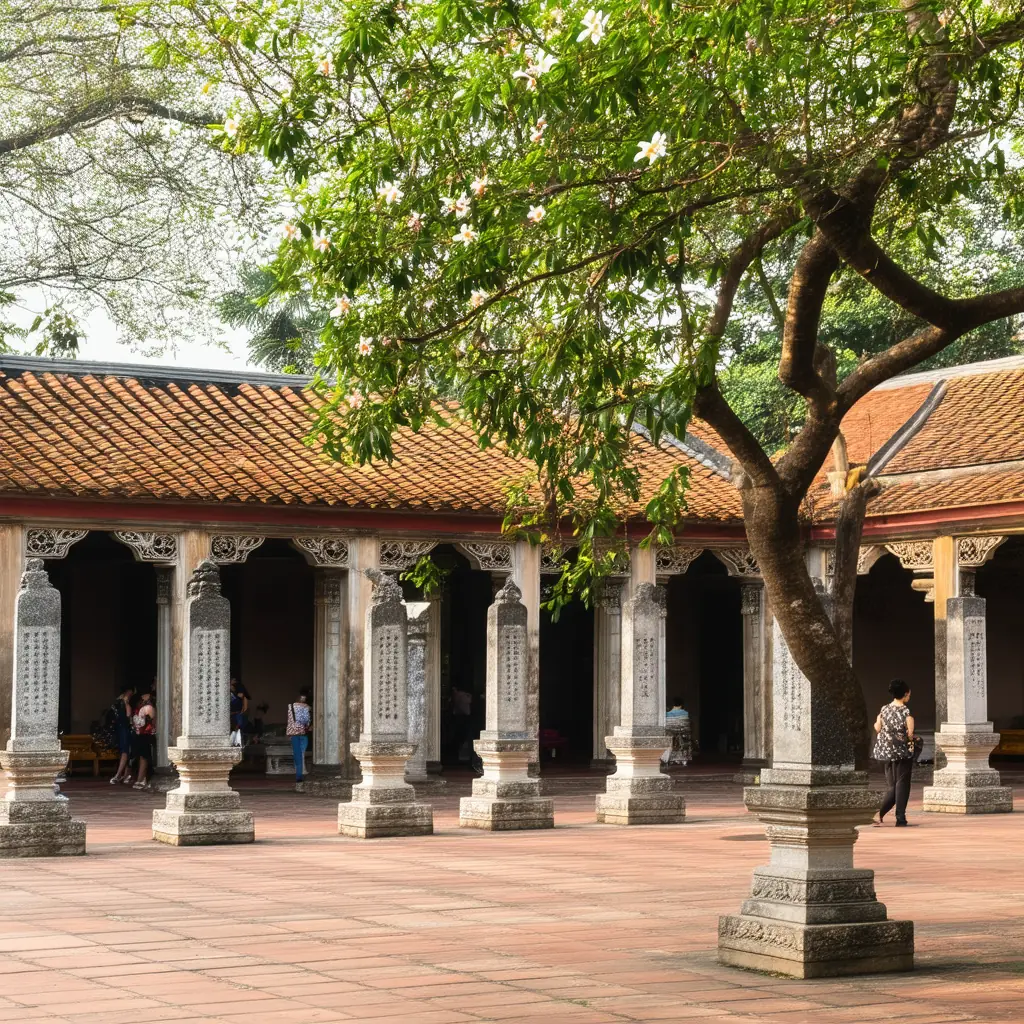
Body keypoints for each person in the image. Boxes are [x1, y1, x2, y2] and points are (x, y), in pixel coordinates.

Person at [873, 679, 916, 827]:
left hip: (885, 752)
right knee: (902, 783)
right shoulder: (906, 711)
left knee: (893, 785)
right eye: (909, 693)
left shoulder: (884, 709)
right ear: (905, 694)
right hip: (902, 752)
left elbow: (878, 728)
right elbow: (910, 733)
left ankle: (880, 814)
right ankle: (899, 817)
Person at [286, 692, 312, 790]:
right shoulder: (306, 707)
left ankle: (299, 777)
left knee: (297, 755)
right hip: (302, 733)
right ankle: (300, 776)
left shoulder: (290, 707)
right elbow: (305, 720)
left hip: (293, 733)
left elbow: (290, 720)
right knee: (302, 754)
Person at [131, 691, 157, 792]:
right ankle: (141, 778)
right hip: (141, 734)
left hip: (147, 734)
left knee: (145, 757)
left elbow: (153, 721)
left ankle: (142, 778)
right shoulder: (140, 708)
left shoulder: (149, 708)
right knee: (141, 756)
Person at [110, 685, 136, 784]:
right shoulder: (121, 702)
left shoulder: (122, 702)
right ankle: (122, 775)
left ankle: (122, 774)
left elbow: (128, 716)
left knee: (125, 752)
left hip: (124, 729)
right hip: (123, 729)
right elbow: (127, 716)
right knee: (124, 751)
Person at [663, 697, 691, 766]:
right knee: (684, 739)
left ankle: (669, 759)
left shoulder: (667, 714)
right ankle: (683, 759)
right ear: (681, 705)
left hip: (671, 733)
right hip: (682, 732)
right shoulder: (685, 713)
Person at [229, 678, 249, 746]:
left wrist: (241, 712)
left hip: (238, 715)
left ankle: (237, 742)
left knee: (238, 728)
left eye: (233, 684)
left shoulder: (240, 695)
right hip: (231, 716)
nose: (231, 686)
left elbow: (245, 707)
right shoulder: (230, 694)